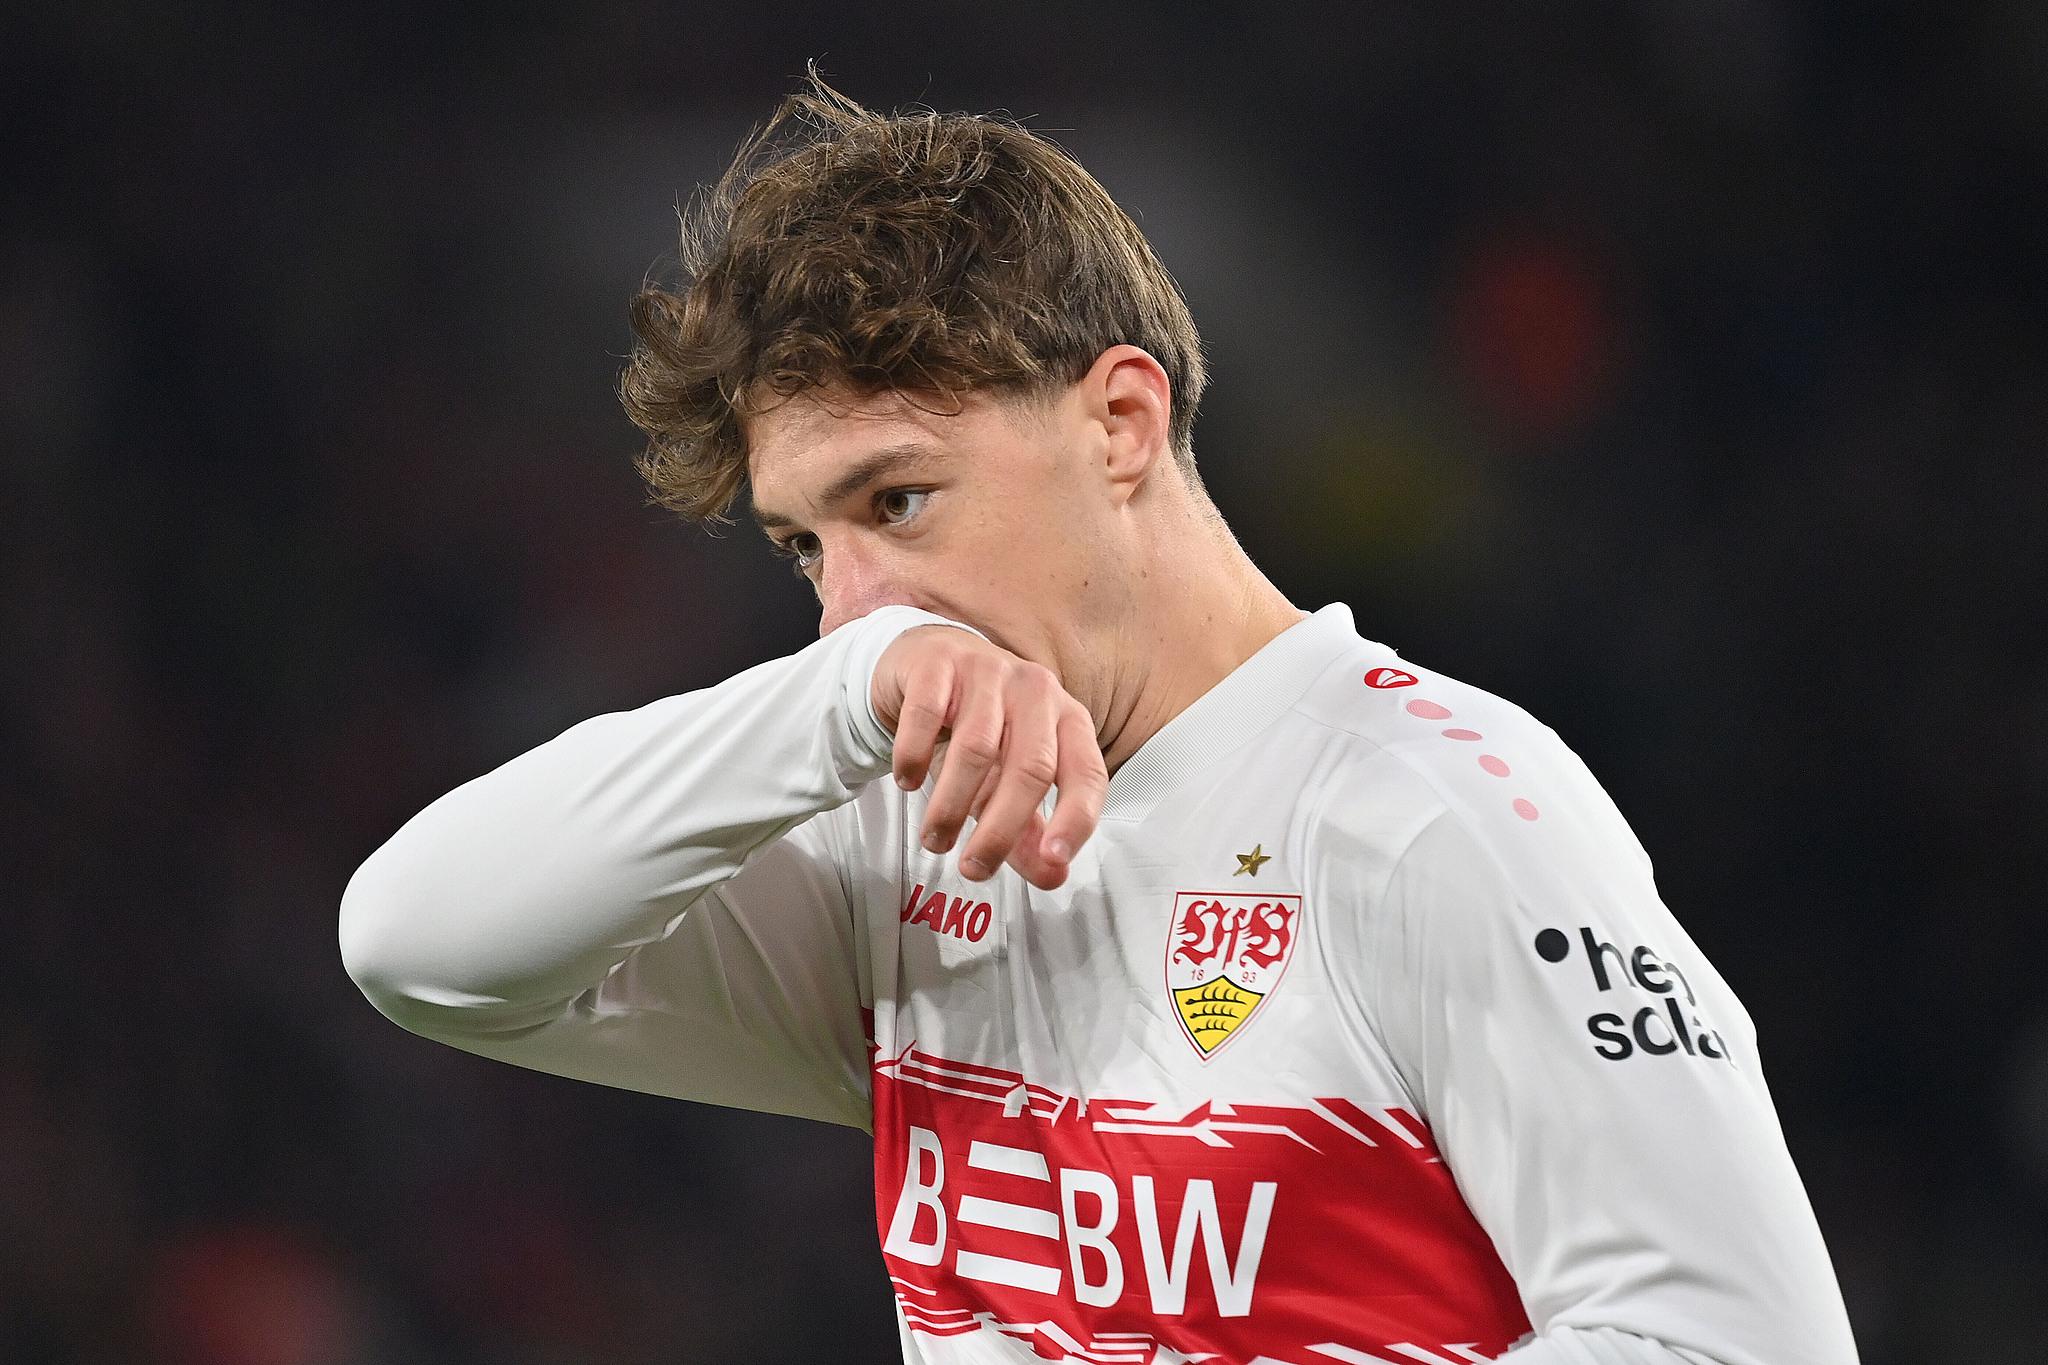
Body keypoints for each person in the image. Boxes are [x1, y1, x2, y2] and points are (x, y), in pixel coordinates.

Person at [338, 72, 1859, 1365]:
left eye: (899, 500)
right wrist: (831, 705)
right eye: (806, 545)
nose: (855, 608)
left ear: (1121, 423)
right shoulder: (900, 846)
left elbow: (1738, 1343)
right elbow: (419, 945)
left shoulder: (1438, 811)